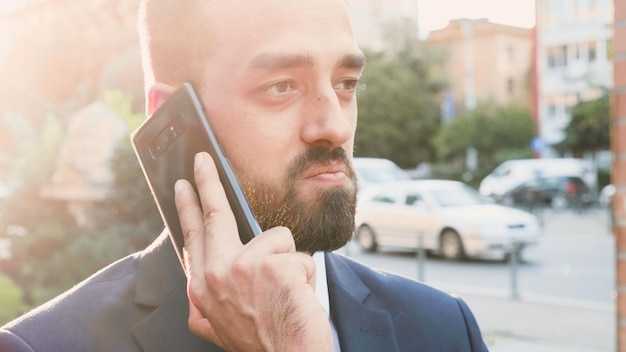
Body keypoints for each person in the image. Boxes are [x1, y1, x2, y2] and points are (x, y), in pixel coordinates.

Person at [0, 0, 489, 350]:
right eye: (281, 87)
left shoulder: (445, 327)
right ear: (172, 116)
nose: (335, 125)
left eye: (346, 83)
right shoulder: (45, 345)